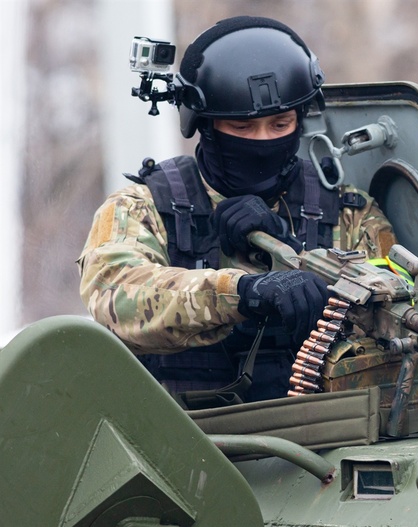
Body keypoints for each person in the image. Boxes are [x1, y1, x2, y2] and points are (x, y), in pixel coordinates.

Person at [77, 16, 396, 408]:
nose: (262, 141)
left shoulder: (349, 213)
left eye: (280, 124)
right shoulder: (144, 206)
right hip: (182, 443)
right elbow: (114, 297)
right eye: (242, 128)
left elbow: (399, 316)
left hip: (321, 441)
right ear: (206, 126)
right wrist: (243, 292)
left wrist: (298, 257)